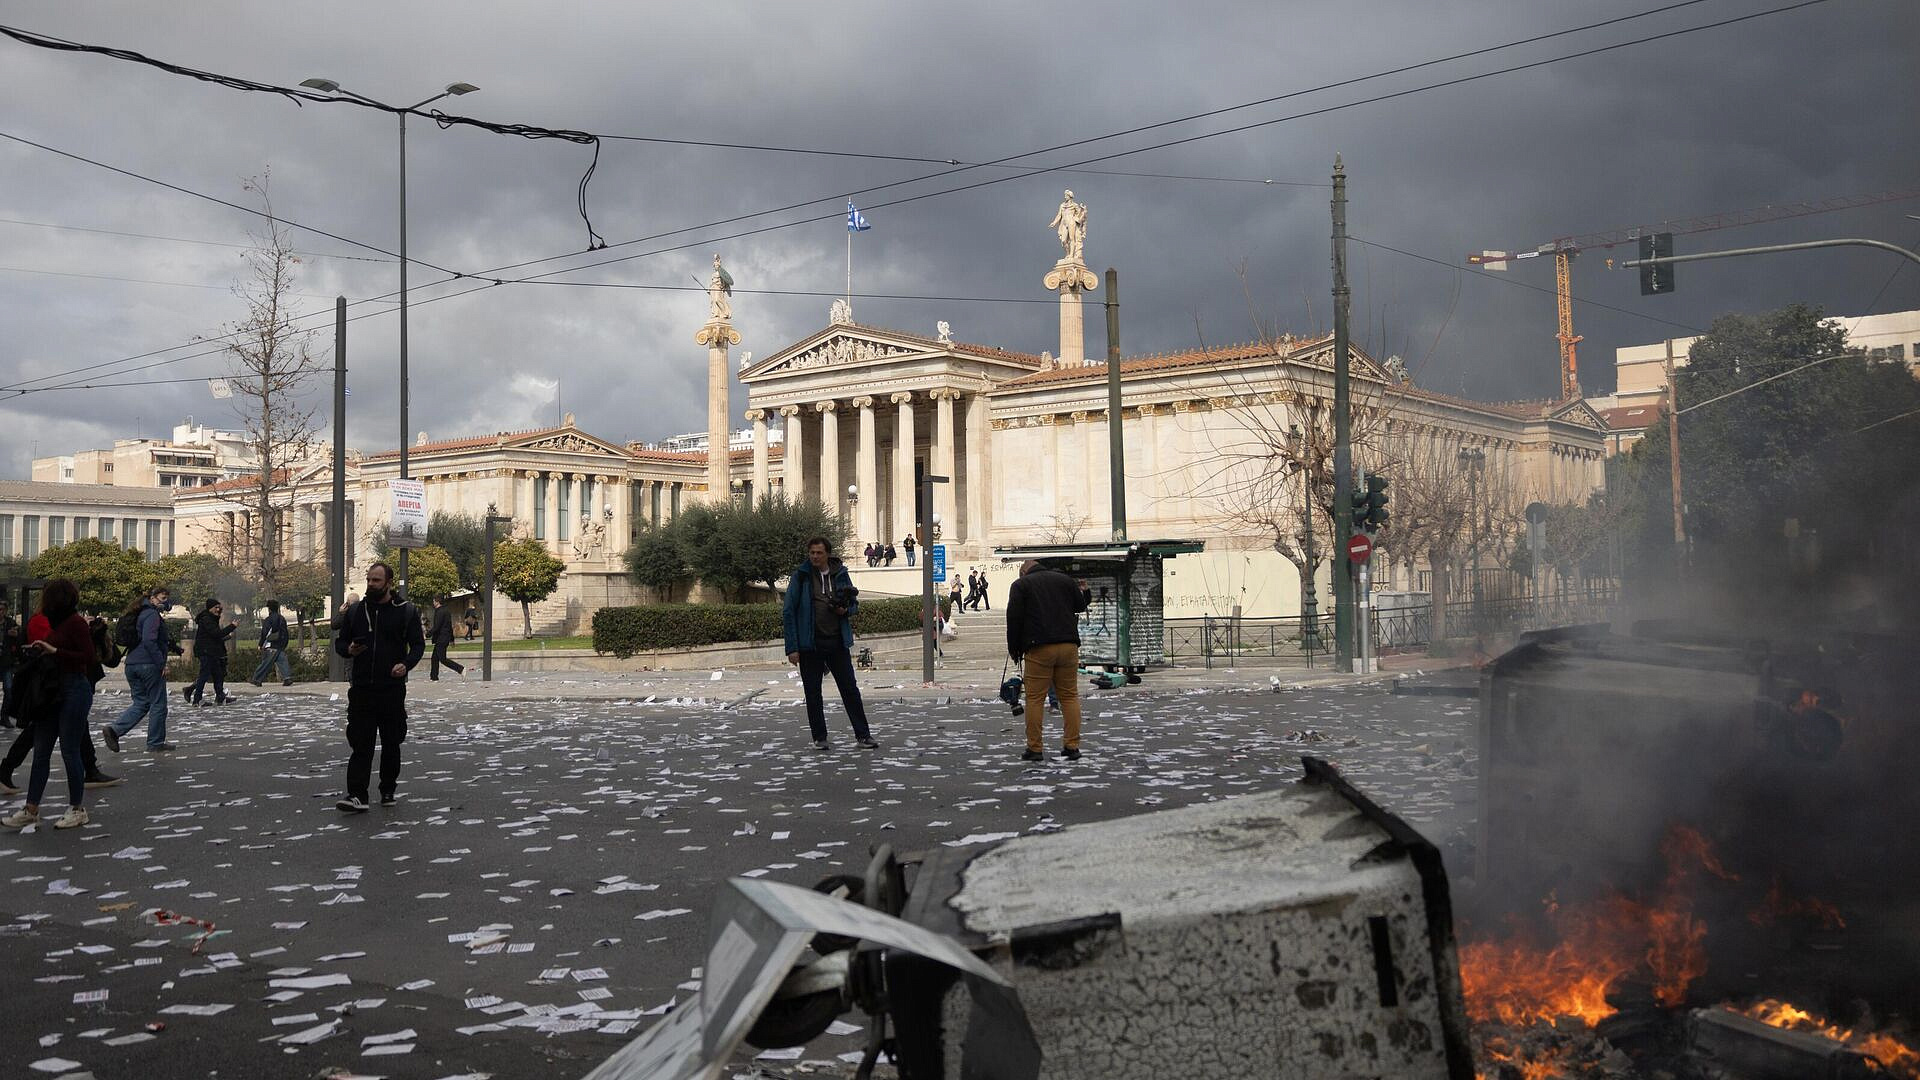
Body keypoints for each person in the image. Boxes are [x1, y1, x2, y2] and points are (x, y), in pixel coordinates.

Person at [2, 579, 97, 829]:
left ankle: (77, 808)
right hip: (53, 690)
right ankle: (31, 808)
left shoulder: (74, 622)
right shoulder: (59, 622)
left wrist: (54, 651)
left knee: (69, 749)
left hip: (73, 687)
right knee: (42, 750)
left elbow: (87, 657)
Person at [333, 562, 424, 812]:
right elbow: (340, 643)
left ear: (388, 583)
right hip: (362, 689)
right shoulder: (355, 612)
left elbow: (417, 645)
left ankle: (387, 789)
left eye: (376, 580)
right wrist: (348, 650)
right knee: (361, 744)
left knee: (391, 742)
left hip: (391, 690)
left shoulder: (405, 611)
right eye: (369, 580)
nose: (371, 584)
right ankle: (357, 794)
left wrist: (406, 665)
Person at [781, 538, 878, 752]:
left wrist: (846, 610)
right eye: (812, 553)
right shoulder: (801, 576)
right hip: (810, 645)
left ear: (827, 554)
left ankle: (863, 735)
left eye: (819, 553)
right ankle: (819, 737)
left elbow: (854, 605)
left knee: (850, 690)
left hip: (836, 642)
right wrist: (792, 647)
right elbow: (789, 611)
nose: (815, 556)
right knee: (813, 693)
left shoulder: (840, 574)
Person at [1005, 560, 1091, 762]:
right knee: (1069, 697)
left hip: (1039, 647)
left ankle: (1035, 749)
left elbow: (1014, 618)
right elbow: (1080, 605)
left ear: (1024, 571)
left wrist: (1014, 649)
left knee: (1035, 699)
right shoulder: (1064, 580)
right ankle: (1072, 746)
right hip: (1069, 645)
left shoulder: (1021, 585)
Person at [102, 586, 178, 754]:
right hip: (148, 665)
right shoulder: (151, 615)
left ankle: (114, 730)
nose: (166, 603)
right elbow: (149, 640)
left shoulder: (138, 613)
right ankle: (155, 742)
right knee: (158, 703)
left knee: (141, 703)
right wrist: (161, 664)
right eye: (163, 598)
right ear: (152, 598)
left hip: (132, 664)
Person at [185, 599, 236, 706]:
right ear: (210, 608)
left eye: (219, 608)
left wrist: (226, 637)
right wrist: (232, 626)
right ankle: (197, 699)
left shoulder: (212, 618)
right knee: (204, 675)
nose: (218, 610)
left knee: (218, 675)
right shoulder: (207, 619)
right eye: (216, 608)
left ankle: (220, 697)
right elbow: (216, 634)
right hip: (206, 651)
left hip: (212, 651)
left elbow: (213, 637)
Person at [250, 599, 293, 687]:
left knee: (266, 662)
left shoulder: (269, 619)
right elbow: (285, 633)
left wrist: (260, 644)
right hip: (280, 645)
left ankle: (256, 679)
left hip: (271, 645)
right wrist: (284, 644)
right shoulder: (282, 618)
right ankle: (287, 678)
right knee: (282, 661)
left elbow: (265, 633)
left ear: (269, 609)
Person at [428, 596, 465, 681]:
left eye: (433, 601)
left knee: (443, 659)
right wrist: (451, 639)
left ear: (437, 602)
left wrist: (427, 634)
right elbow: (449, 626)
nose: (433, 603)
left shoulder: (440, 612)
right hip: (443, 638)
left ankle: (460, 669)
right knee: (434, 658)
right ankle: (434, 677)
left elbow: (437, 626)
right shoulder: (446, 611)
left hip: (441, 638)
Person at [0, 599, 18, 728]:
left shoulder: (10, 623)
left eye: (2, 609)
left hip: (6, 661)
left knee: (9, 689)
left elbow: (19, 635)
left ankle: (4, 716)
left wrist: (15, 634)